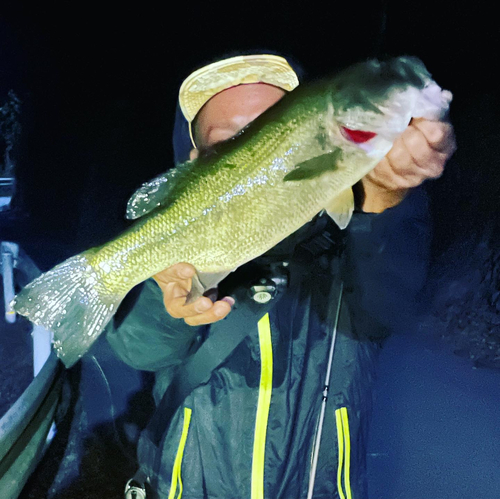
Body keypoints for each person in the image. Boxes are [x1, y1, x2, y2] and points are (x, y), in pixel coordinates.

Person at [107, 53, 456, 498]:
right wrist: (165, 297)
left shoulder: (350, 240)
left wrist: (385, 200)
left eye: (273, 130)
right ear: (194, 164)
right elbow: (139, 350)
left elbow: (387, 305)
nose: (259, 152)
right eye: (232, 141)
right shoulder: (183, 249)